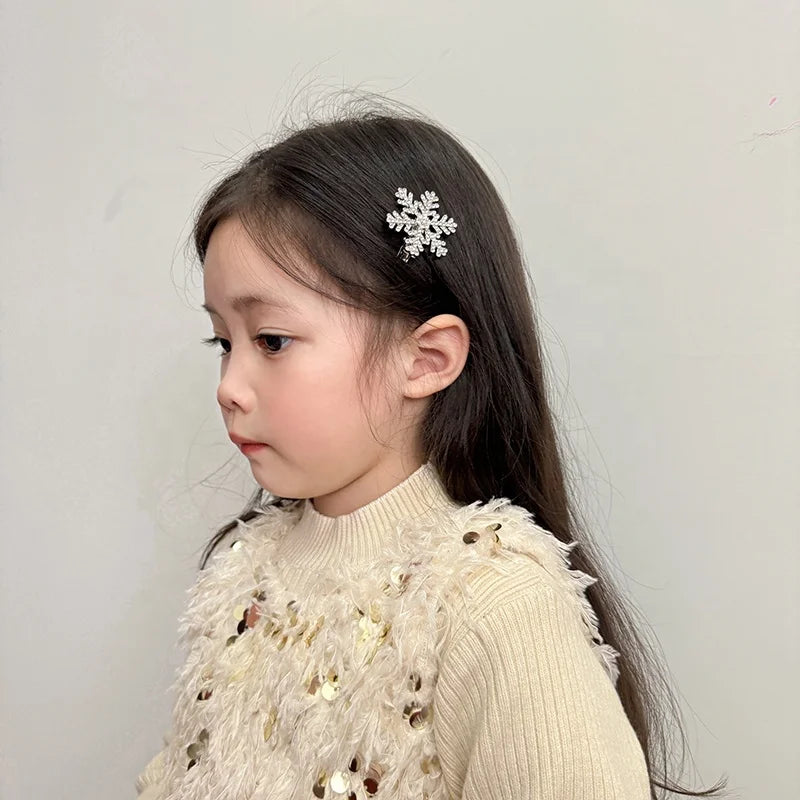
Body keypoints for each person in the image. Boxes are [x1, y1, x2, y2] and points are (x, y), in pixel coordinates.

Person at [135, 97, 729, 800]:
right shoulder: (244, 574)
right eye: (222, 342)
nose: (230, 387)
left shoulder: (492, 604)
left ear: (426, 359)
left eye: (271, 341)